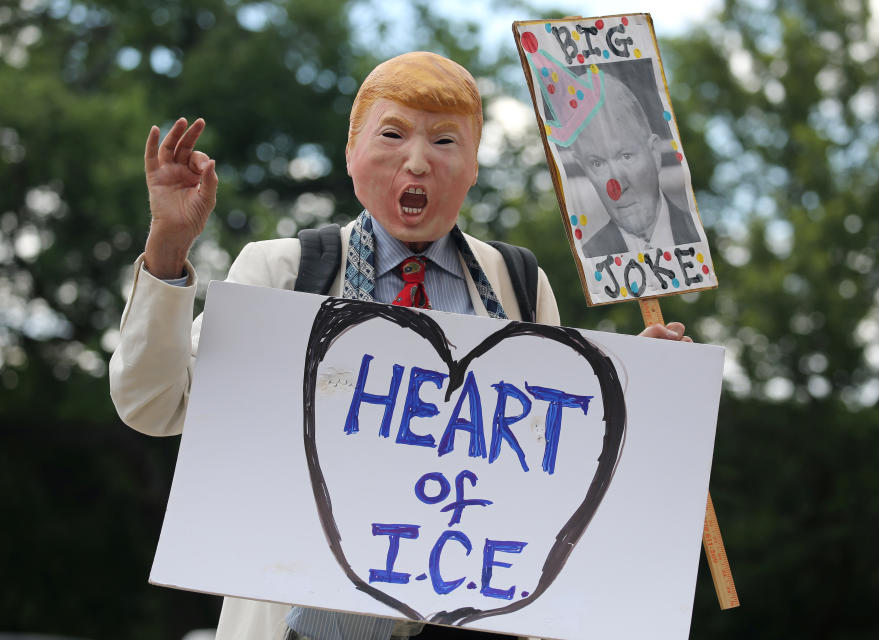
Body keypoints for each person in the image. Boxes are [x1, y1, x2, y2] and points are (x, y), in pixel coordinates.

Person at [109, 51, 692, 640]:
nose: (417, 161)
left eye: (445, 142)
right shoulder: (282, 273)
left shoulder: (518, 283)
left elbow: (548, 471)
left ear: (473, 166)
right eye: (392, 134)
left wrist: (634, 386)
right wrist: (167, 249)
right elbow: (154, 405)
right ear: (351, 151)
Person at [563, 74, 701, 259]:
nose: (617, 186)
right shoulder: (588, 258)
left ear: (654, 153)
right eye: (597, 163)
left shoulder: (700, 232)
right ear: (583, 168)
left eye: (626, 156)